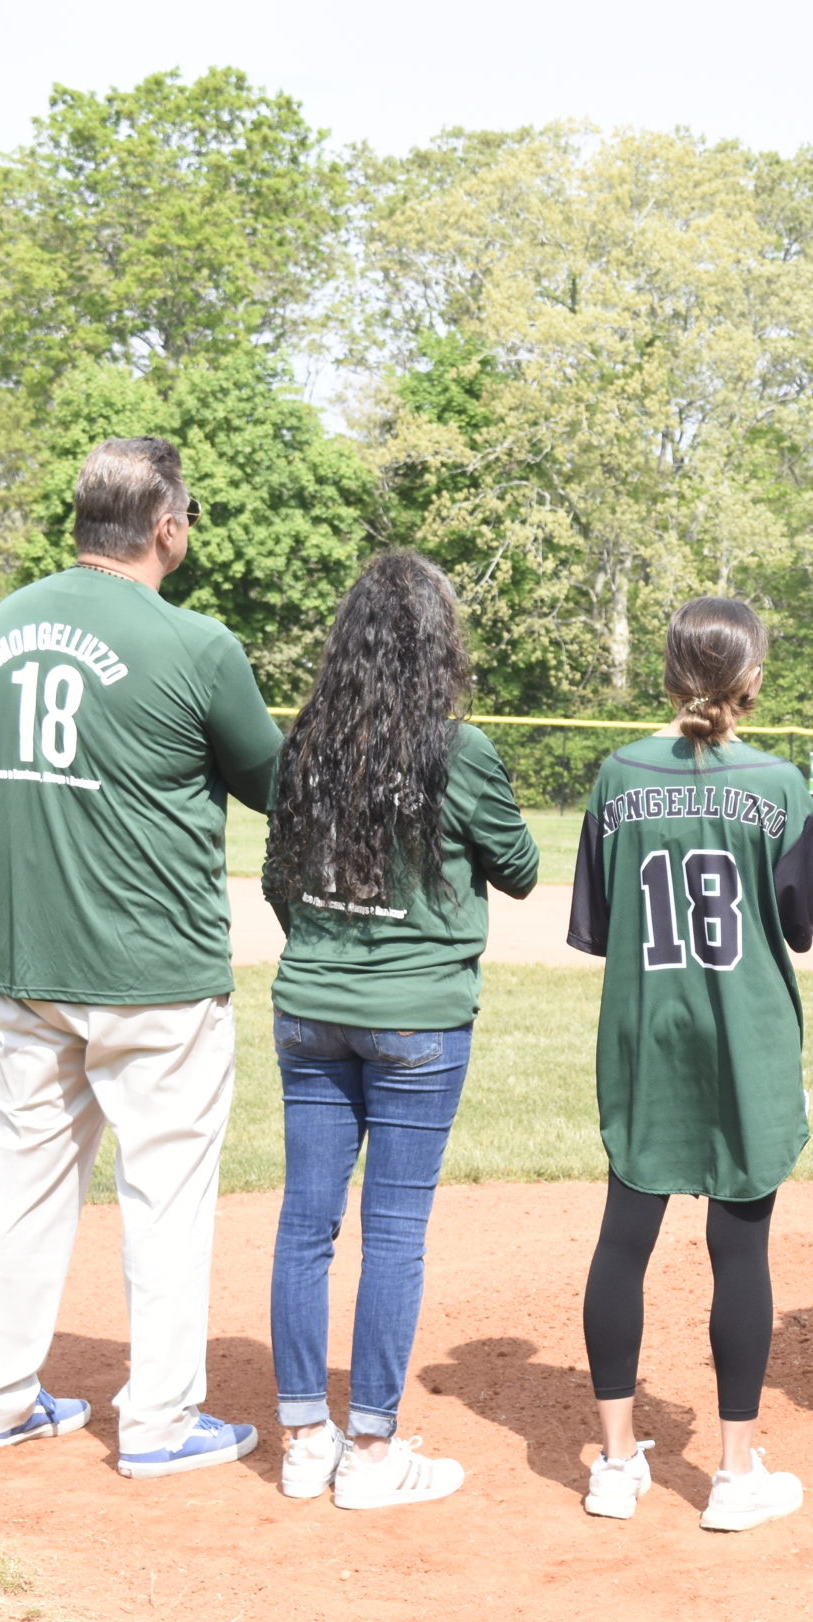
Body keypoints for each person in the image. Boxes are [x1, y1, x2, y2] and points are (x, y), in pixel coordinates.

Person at [0, 437, 282, 1476]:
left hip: (32, 967)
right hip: (157, 974)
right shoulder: (196, 644)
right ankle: (162, 1423)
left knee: (24, 1185)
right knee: (167, 1197)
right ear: (166, 527)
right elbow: (278, 789)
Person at [262, 551, 541, 1509]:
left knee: (305, 1223)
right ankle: (373, 1453)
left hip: (308, 1008)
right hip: (419, 1020)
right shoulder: (458, 752)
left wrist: (331, 951)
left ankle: (304, 1437)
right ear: (440, 646)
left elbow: (277, 880)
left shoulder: (304, 743)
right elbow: (521, 867)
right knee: (393, 1232)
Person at [567, 597, 813, 1533]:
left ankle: (613, 1463)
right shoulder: (781, 784)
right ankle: (732, 1471)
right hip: (746, 1038)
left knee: (622, 1238)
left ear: (670, 674)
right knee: (740, 1249)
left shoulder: (617, 775)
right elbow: (798, 922)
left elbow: (595, 929)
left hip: (648, 1033)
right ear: (750, 679)